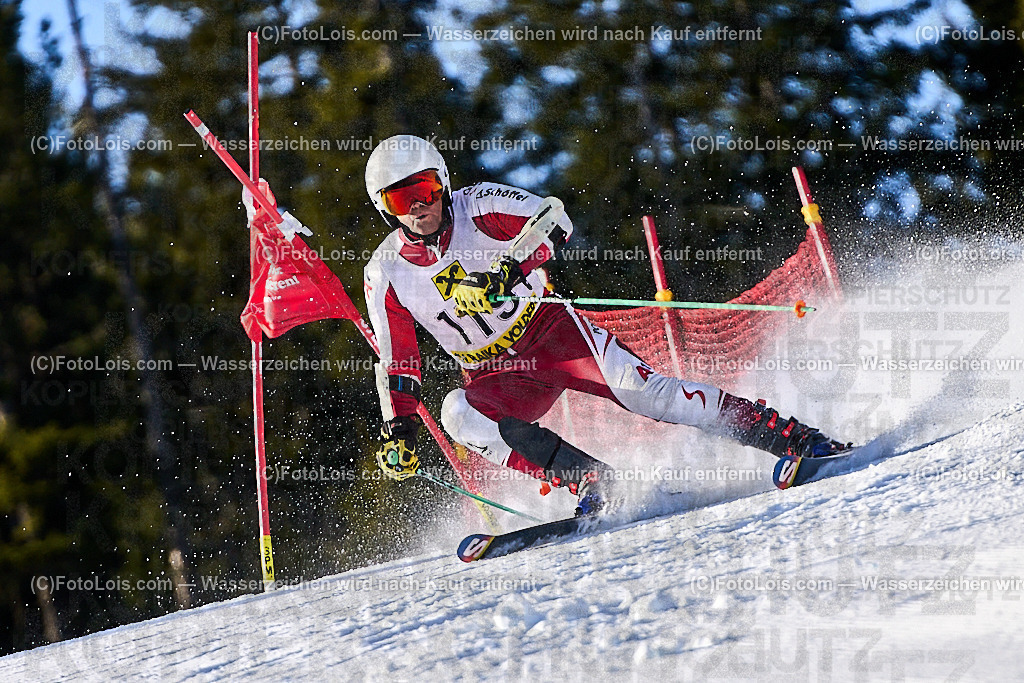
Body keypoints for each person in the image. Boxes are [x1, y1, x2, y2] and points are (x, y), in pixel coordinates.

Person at [362, 135, 847, 516]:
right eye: (401, 198)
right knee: (457, 413)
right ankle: (593, 481)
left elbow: (554, 219)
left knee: (645, 394)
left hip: (549, 333)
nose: (417, 206)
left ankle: (792, 438)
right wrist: (399, 425)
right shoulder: (385, 272)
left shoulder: (479, 206)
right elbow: (398, 356)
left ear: (442, 183)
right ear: (385, 207)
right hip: (493, 374)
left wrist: (509, 269)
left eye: (423, 189)